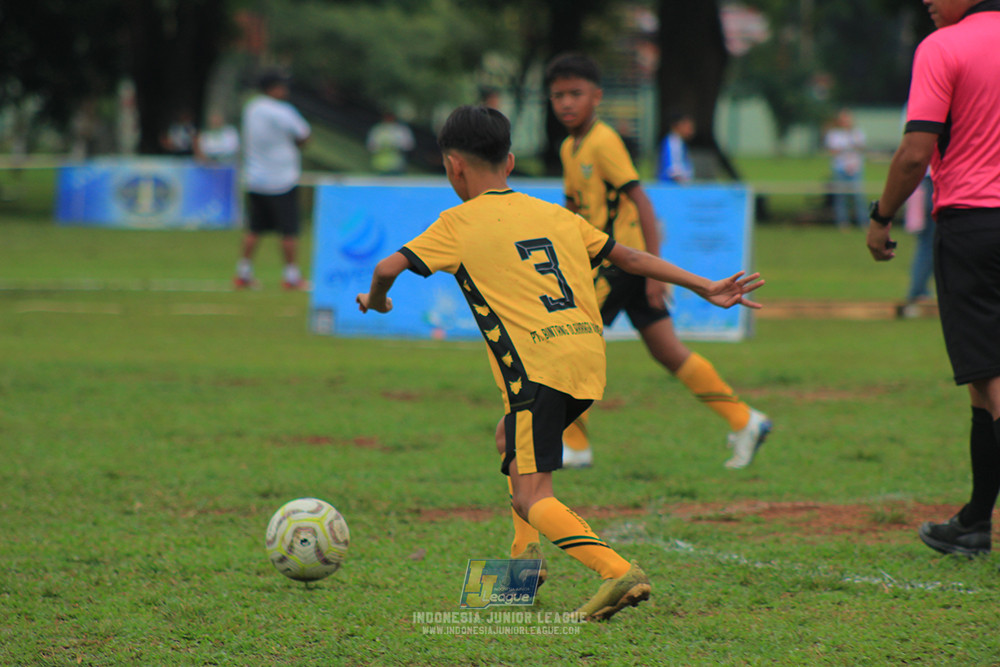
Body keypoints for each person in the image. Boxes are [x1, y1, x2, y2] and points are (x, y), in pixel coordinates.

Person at [356, 105, 765, 621]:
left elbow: (385, 267)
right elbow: (629, 257)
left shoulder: (455, 224)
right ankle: (522, 568)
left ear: (453, 167)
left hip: (536, 371)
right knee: (508, 439)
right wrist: (704, 285)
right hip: (586, 360)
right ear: (509, 162)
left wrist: (377, 301)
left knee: (532, 496)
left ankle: (617, 571)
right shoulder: (554, 214)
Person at [545, 53, 772, 470]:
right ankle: (745, 420)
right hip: (616, 265)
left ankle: (575, 446)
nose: (566, 103)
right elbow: (574, 210)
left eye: (575, 93)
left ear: (597, 96)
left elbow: (642, 201)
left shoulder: (603, 141)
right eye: (558, 95)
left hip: (621, 264)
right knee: (668, 351)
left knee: (567, 340)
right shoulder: (568, 148)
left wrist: (653, 272)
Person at [865, 0, 1000, 557]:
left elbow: (914, 153)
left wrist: (881, 216)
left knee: (991, 374)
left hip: (975, 224)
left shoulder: (944, 47)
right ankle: (974, 521)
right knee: (981, 380)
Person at [235, 70, 311, 290]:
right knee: (289, 231)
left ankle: (243, 273)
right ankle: (291, 276)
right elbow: (304, 136)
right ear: (273, 88)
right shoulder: (283, 111)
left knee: (254, 229)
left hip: (255, 179)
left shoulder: (251, 108)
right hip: (281, 179)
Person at [899, 170, 935, 319]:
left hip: (922, 184)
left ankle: (919, 293)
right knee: (929, 245)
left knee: (926, 244)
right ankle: (916, 295)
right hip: (936, 185)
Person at [825, 108, 868, 230]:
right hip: (840, 168)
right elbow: (832, 150)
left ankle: (863, 222)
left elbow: (862, 148)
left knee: (858, 197)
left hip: (855, 168)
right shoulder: (834, 134)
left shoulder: (857, 133)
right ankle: (843, 222)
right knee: (840, 197)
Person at [657, 112, 695, 184]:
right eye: (688, 126)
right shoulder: (672, 142)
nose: (691, 130)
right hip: (670, 185)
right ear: (678, 125)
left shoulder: (680, 143)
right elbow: (672, 170)